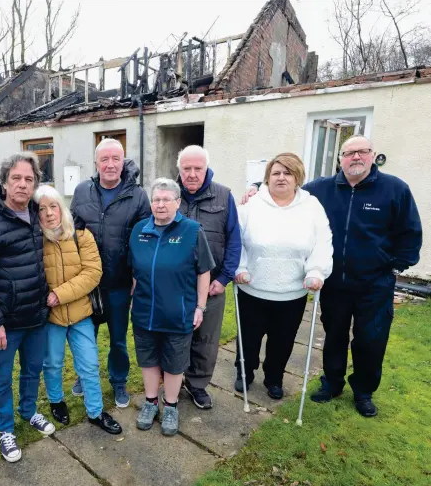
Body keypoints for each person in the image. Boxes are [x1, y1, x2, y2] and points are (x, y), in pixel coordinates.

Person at [242, 136, 422, 416]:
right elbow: (285, 185)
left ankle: (363, 392)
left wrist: (396, 265)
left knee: (370, 340)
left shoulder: (394, 189)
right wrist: (254, 188)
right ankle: (332, 383)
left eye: (362, 151)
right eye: (349, 153)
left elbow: (410, 232)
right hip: (335, 282)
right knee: (334, 335)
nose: (356, 157)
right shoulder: (321, 190)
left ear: (372, 155)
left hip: (374, 282)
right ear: (341, 158)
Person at [0, 153, 56, 463]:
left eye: (29, 179)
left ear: (35, 184)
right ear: (4, 182)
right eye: (16, 178)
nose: (22, 184)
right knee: (1, 377)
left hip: (35, 316)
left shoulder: (35, 213)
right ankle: (4, 429)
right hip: (5, 322)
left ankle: (28, 411)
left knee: (32, 370)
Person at [234, 153, 333, 399]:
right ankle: (244, 372)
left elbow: (323, 241)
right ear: (267, 178)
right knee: (249, 337)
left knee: (283, 339)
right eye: (275, 173)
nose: (281, 178)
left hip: (292, 291)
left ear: (297, 177)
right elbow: (236, 241)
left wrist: (316, 270)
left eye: (287, 173)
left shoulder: (312, 207)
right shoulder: (251, 206)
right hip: (253, 287)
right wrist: (239, 268)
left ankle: (274, 378)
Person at [129, 178, 215, 436]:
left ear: (178, 203)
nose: (160, 204)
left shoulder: (192, 231)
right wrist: (134, 296)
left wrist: (200, 307)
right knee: (148, 359)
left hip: (178, 312)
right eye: (156, 199)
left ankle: (171, 405)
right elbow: (136, 269)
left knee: (174, 362)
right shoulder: (139, 231)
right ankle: (151, 401)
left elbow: (204, 272)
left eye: (166, 199)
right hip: (145, 311)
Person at [34, 184, 123, 435]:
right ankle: (56, 400)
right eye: (42, 209)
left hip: (81, 313)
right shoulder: (35, 240)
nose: (50, 213)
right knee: (52, 363)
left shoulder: (81, 235)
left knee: (88, 364)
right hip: (51, 318)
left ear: (62, 208)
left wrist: (58, 295)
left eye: (54, 206)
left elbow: (93, 273)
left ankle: (95, 411)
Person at [70, 138, 151, 408]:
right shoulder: (82, 191)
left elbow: (145, 239)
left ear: (123, 161)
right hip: (87, 283)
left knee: (118, 339)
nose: (110, 165)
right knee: (85, 337)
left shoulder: (137, 195)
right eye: (104, 159)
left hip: (120, 283)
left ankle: (119, 381)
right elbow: (73, 232)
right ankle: (85, 376)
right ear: (96, 163)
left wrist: (137, 275)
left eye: (116, 159)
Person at [174, 145, 241, 409]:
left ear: (206, 169)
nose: (191, 174)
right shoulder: (168, 194)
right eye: (186, 168)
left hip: (211, 285)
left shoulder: (224, 196)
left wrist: (224, 278)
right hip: (175, 287)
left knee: (206, 340)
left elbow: (234, 240)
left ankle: (198, 385)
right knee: (174, 338)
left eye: (197, 168)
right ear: (179, 169)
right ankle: (173, 381)